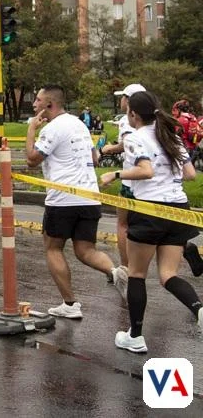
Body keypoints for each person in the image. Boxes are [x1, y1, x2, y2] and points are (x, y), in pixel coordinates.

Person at [100, 91, 203, 352]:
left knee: (136, 273)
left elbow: (145, 171)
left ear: (133, 114)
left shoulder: (135, 138)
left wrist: (115, 173)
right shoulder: (171, 136)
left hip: (149, 210)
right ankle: (200, 311)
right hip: (178, 210)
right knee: (168, 275)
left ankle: (135, 336)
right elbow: (190, 174)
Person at [25, 85, 121, 319]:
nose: (34, 105)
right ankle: (117, 273)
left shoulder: (52, 128)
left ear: (50, 105)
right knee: (85, 250)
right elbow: (95, 157)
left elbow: (32, 159)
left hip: (63, 200)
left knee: (52, 247)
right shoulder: (79, 124)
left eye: (38, 101)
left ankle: (70, 304)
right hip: (89, 196)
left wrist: (31, 130)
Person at [101, 83, 146, 294]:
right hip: (152, 183)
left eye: (122, 98)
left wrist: (111, 148)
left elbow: (128, 145)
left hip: (130, 182)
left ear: (128, 101)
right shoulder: (155, 119)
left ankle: (125, 268)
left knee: (123, 224)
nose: (121, 102)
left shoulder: (128, 120)